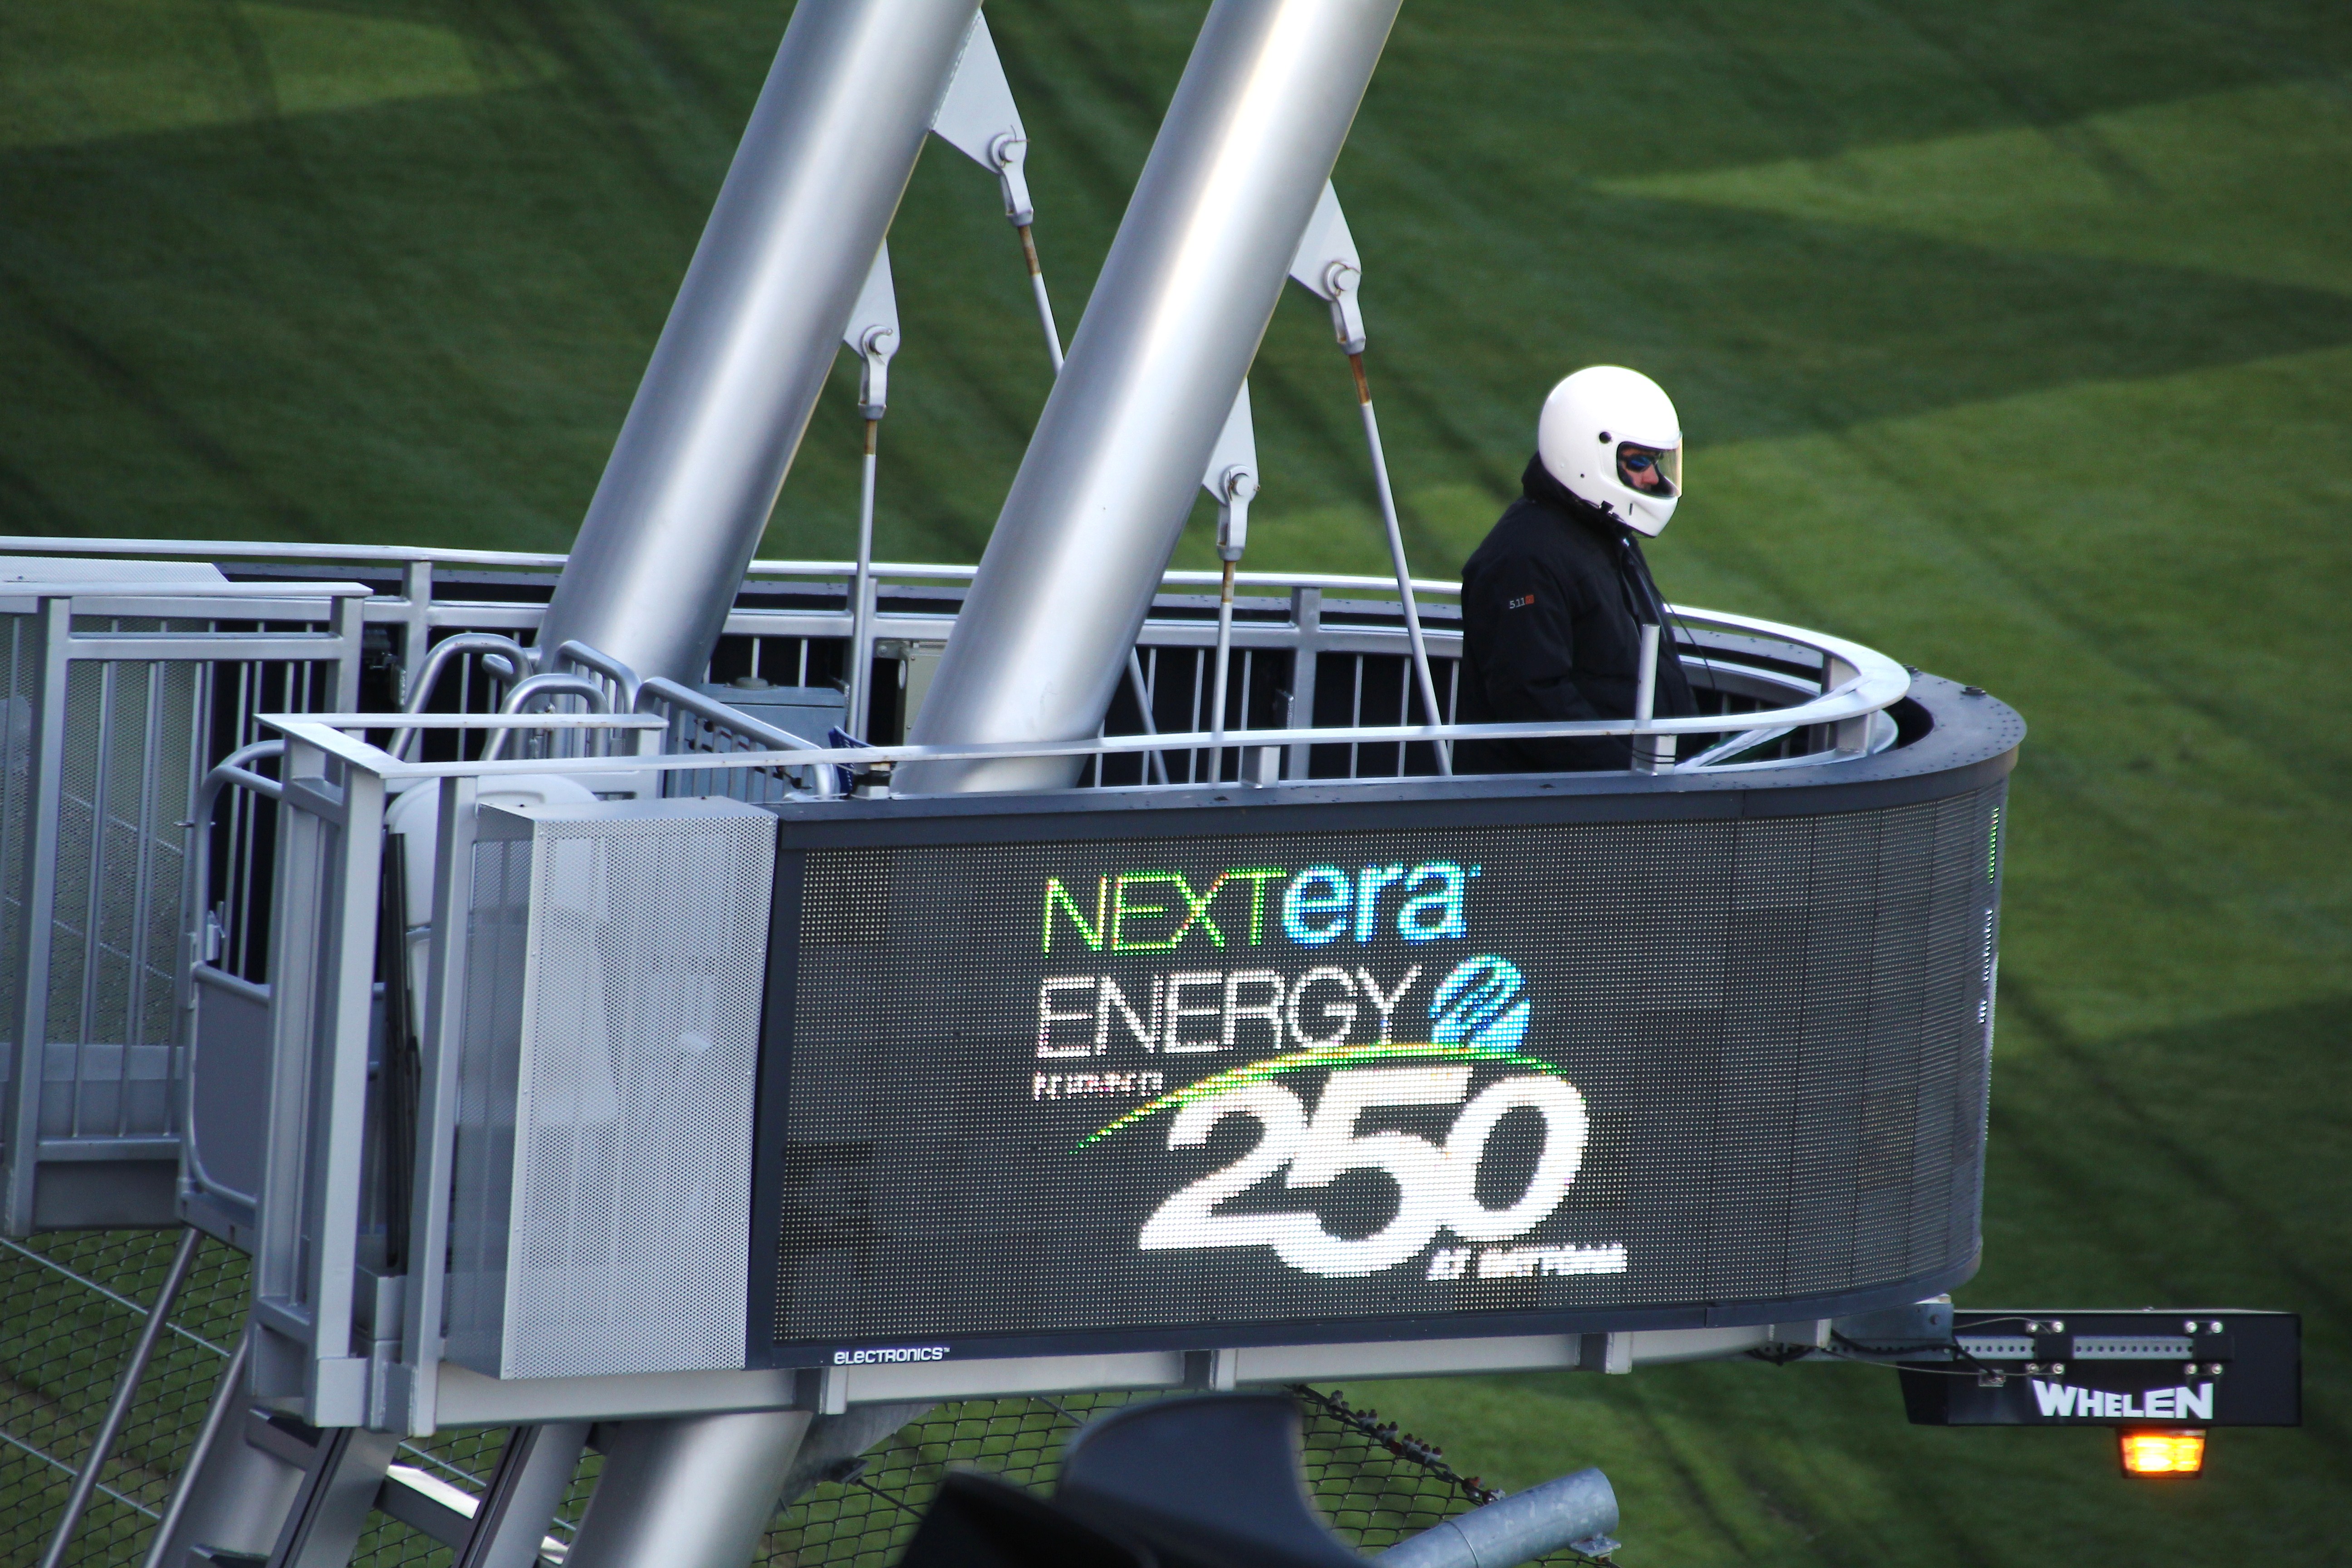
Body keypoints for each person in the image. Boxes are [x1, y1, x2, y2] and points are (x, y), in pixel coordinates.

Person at [1455, 366, 1698, 773]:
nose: (1653, 478)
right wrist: (1630, 777)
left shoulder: (1606, 536)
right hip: (1553, 805)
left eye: (1656, 461)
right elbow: (1532, 701)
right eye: (1639, 462)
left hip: (1621, 792)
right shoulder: (1523, 558)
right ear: (1588, 454)